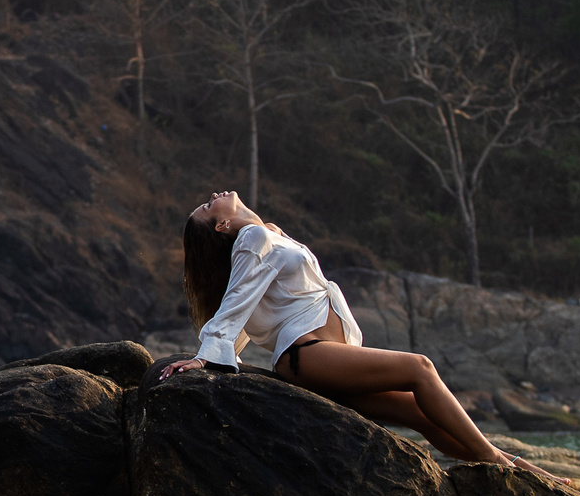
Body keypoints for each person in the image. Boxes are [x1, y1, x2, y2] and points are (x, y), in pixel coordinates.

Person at [157, 189, 547, 475]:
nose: (213, 195)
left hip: (324, 357)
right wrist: (206, 354)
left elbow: (251, 297)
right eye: (209, 207)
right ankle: (503, 461)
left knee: (423, 415)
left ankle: (504, 466)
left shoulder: (265, 232)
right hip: (308, 354)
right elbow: (237, 299)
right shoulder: (252, 239)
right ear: (222, 225)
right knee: (420, 368)